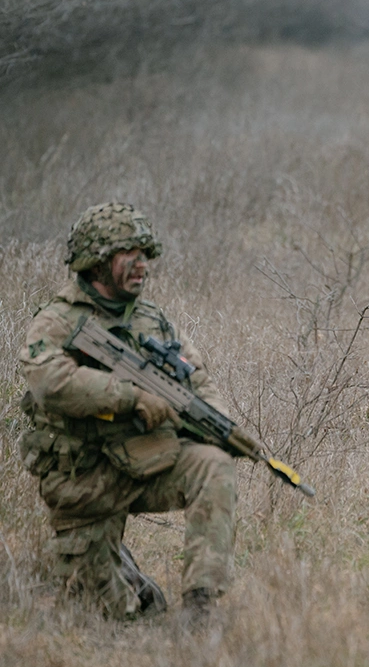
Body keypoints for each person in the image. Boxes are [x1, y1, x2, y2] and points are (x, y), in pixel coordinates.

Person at [18, 202, 237, 621]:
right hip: (83, 480)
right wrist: (131, 397)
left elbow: (198, 381)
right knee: (118, 617)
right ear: (97, 263)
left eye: (145, 255)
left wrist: (217, 424)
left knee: (214, 464)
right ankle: (120, 569)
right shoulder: (57, 321)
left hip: (142, 461)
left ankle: (200, 606)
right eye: (128, 255)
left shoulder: (152, 321)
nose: (141, 265)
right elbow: (50, 382)